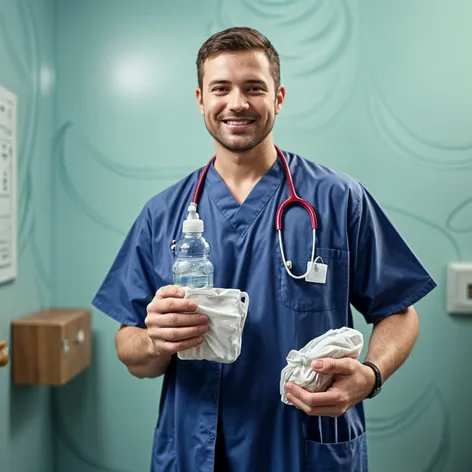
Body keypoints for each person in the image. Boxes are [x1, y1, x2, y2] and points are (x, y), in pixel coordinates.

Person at [92, 26, 436, 472]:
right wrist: (156, 340)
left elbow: (400, 312)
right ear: (201, 99)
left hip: (305, 448)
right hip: (198, 452)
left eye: (254, 87)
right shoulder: (163, 214)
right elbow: (131, 350)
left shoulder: (339, 200)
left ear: (278, 97)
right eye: (221, 88)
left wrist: (369, 377)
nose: (237, 103)